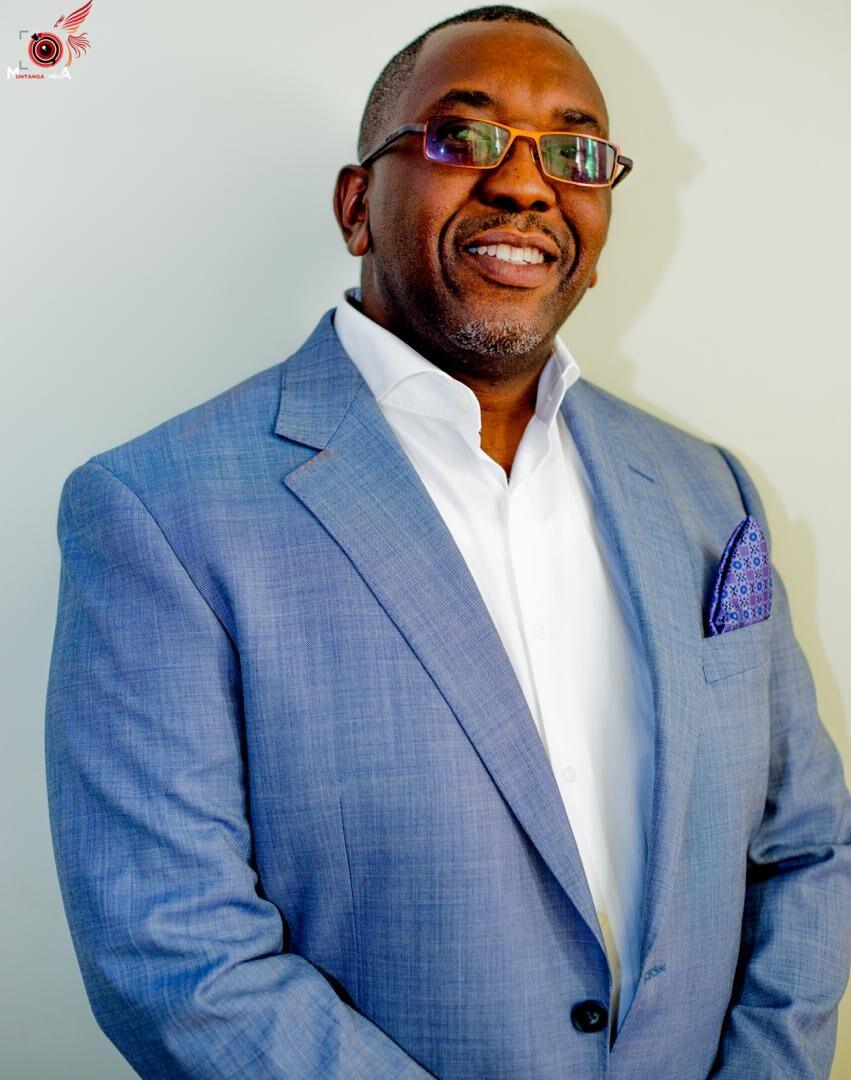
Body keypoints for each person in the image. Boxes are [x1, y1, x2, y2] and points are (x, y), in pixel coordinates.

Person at [45, 5, 851, 1078]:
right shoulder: (158, 511)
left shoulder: (705, 489)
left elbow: (806, 847)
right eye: (461, 137)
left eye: (572, 153)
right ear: (355, 207)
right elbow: (176, 960)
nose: (525, 186)